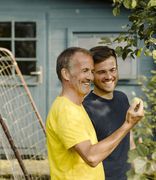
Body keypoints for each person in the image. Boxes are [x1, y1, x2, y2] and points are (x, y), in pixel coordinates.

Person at [46, 47, 144, 180]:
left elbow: (128, 142)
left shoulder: (76, 107)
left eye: (91, 71)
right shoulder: (67, 110)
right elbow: (91, 157)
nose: (89, 77)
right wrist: (128, 124)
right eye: (84, 71)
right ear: (66, 74)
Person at [83, 46, 136, 180]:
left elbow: (129, 140)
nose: (109, 76)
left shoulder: (122, 98)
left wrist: (137, 172)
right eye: (102, 72)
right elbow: (89, 156)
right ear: (91, 74)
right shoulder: (86, 109)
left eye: (112, 70)